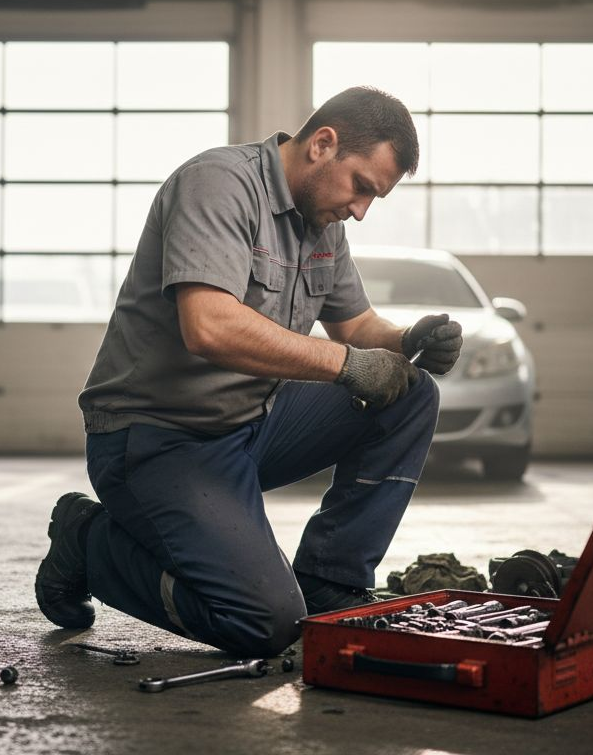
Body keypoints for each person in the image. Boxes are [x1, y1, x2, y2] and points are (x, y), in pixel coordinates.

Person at [35, 86, 464, 657]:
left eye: (374, 198)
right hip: (155, 439)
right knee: (263, 625)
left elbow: (357, 327)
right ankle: (87, 542)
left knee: (410, 394)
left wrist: (408, 340)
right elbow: (209, 327)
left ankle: (329, 582)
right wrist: (348, 364)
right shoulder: (218, 184)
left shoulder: (322, 224)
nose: (361, 210)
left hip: (252, 425)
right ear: (323, 144)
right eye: (361, 186)